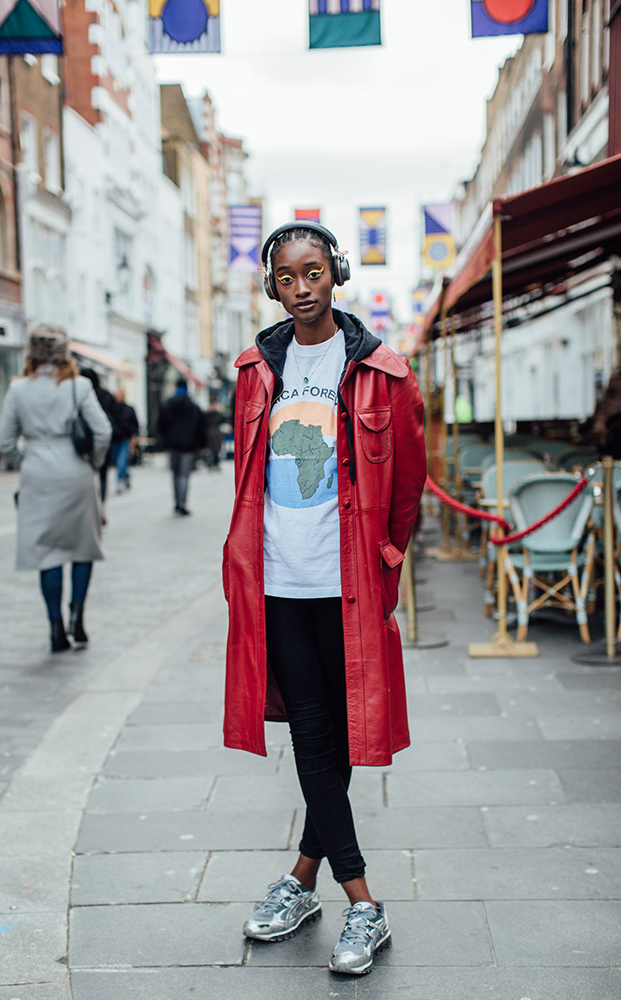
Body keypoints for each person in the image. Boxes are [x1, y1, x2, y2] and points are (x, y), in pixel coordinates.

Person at [222, 223, 426, 976]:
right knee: (313, 736)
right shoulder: (254, 368)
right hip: (275, 576)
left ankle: (328, 889)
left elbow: (407, 483)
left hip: (345, 579)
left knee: (331, 740)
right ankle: (351, 896)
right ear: (271, 285)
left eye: (312, 272)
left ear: (335, 274)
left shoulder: (382, 369)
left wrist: (386, 561)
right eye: (285, 276)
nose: (300, 287)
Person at [0, 325, 111, 653]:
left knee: (47, 552)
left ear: (31, 355)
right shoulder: (79, 386)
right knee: (81, 548)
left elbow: (5, 441)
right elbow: (102, 431)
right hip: (76, 471)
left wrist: (26, 460)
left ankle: (55, 626)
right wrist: (93, 462)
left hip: (37, 473)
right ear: (65, 354)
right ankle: (78, 616)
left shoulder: (18, 390)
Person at [157, 378, 206, 515]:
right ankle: (182, 503)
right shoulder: (193, 406)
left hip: (173, 445)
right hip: (188, 446)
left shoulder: (168, 404)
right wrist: (201, 444)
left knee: (175, 473)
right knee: (184, 475)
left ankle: (176, 502)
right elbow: (200, 426)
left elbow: (161, 424)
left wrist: (165, 439)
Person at [79, 368, 119, 508]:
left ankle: (91, 507)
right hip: (101, 443)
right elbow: (106, 428)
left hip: (81, 442)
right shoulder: (106, 395)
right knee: (102, 475)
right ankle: (101, 507)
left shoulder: (78, 393)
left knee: (85, 476)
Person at [111, 386, 139, 493]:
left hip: (125, 439)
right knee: (118, 461)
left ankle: (118, 482)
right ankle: (126, 475)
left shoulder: (129, 409)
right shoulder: (112, 409)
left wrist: (133, 441)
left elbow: (135, 426)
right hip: (114, 439)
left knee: (121, 461)